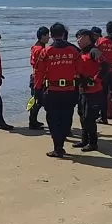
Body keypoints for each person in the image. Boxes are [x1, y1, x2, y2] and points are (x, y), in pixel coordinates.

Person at [33, 23, 85, 157]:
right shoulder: (74, 51)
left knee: (53, 119)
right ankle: (59, 145)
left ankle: (58, 147)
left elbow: (39, 72)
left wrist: (37, 90)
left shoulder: (46, 51)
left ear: (51, 35)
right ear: (63, 34)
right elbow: (81, 71)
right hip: (70, 90)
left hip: (52, 91)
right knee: (66, 118)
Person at [73, 29, 105, 151]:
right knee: (82, 115)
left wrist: (95, 80)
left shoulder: (94, 51)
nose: (78, 40)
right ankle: (84, 140)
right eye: (77, 38)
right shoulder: (81, 52)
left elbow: (105, 66)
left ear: (88, 38)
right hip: (82, 90)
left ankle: (93, 143)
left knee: (89, 117)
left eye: (80, 37)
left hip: (94, 91)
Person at [28, 26, 50, 130]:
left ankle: (33, 121)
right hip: (39, 79)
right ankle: (32, 122)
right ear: (43, 36)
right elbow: (43, 67)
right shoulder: (41, 50)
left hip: (34, 76)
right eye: (47, 35)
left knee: (36, 100)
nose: (49, 37)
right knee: (39, 101)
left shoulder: (34, 47)